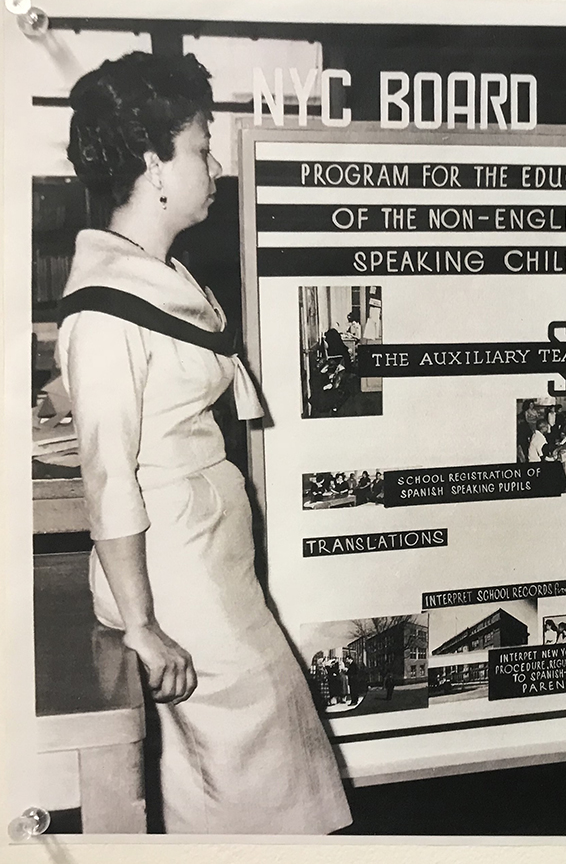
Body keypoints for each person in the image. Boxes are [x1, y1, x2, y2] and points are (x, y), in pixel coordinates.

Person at [57, 52, 350, 834]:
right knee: (261, 773)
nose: (213, 164)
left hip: (208, 557)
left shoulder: (162, 279)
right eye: (200, 146)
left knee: (233, 782)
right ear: (154, 163)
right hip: (171, 574)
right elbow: (108, 476)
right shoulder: (109, 308)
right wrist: (143, 624)